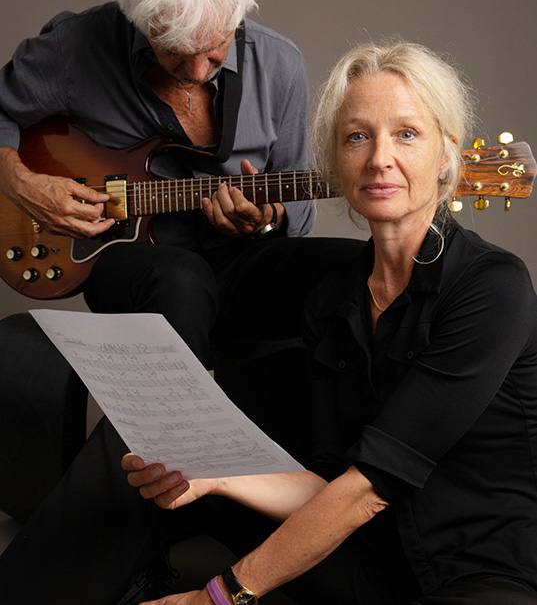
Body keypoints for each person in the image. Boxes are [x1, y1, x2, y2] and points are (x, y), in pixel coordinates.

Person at [116, 39, 537, 605]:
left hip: (486, 574)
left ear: (446, 156)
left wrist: (218, 596)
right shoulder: (333, 297)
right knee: (192, 490)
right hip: (376, 559)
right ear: (337, 159)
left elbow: (372, 486)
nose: (379, 158)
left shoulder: (494, 286)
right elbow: (327, 482)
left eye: (407, 134)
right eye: (356, 136)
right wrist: (217, 477)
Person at [0, 0, 361, 364]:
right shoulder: (76, 47)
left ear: (237, 13)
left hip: (239, 264)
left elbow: (296, 203)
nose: (196, 71)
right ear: (138, 18)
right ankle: (169, 417)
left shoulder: (279, 64)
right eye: (173, 49)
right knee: (182, 280)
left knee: (358, 268)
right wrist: (21, 184)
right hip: (132, 266)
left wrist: (267, 218)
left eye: (214, 48)